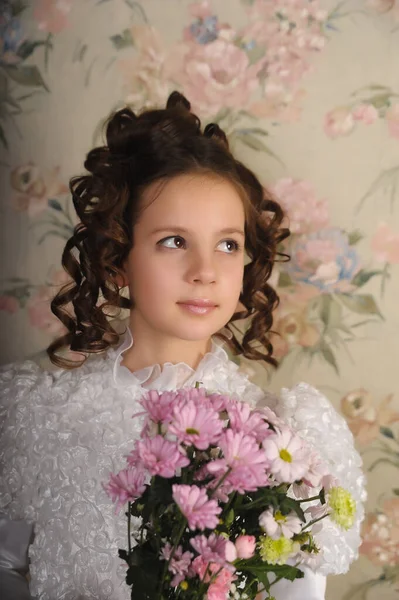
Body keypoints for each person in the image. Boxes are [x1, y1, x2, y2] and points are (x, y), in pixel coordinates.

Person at [0, 91, 365, 600]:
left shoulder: (287, 441)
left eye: (227, 244)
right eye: (174, 240)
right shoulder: (34, 415)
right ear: (117, 260)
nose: (205, 272)